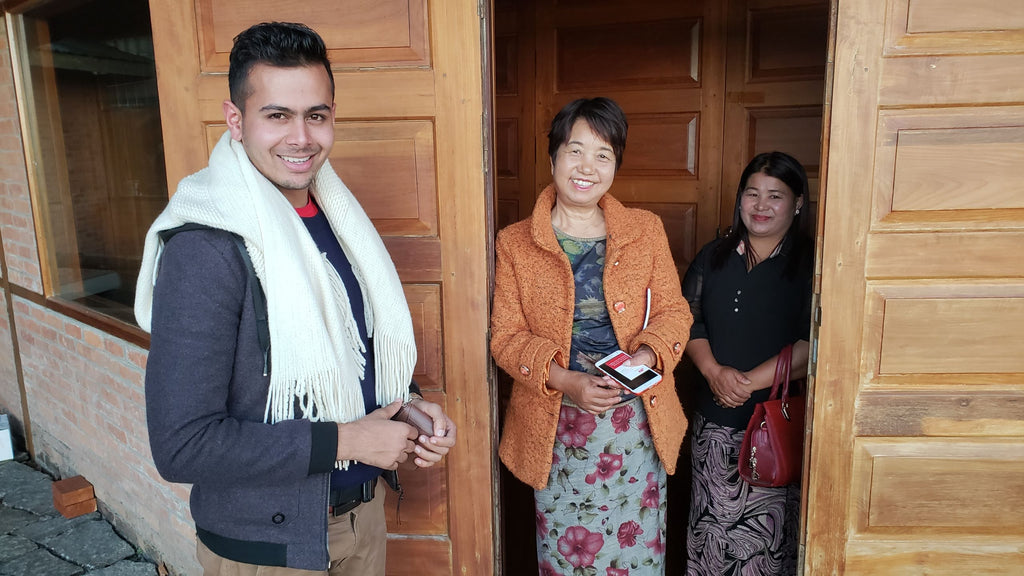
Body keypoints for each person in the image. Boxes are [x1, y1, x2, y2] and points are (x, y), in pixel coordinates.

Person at [134, 22, 455, 575]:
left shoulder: (339, 222)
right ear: (237, 121)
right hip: (268, 549)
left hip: (363, 520)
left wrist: (406, 401)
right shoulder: (205, 248)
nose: (301, 137)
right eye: (277, 115)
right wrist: (348, 439)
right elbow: (181, 446)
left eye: (316, 115)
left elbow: (350, 352)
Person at [491, 97, 692, 576]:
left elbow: (674, 311)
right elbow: (505, 336)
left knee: (636, 553)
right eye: (575, 150)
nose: (587, 167)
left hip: (635, 428)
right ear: (553, 157)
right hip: (558, 429)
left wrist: (644, 355)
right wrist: (566, 381)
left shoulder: (645, 230)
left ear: (616, 164)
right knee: (568, 555)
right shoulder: (515, 241)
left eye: (603, 155)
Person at [682, 151, 812, 575]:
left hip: (776, 426)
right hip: (714, 428)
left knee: (766, 549)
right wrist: (714, 372)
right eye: (752, 193)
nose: (761, 205)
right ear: (739, 199)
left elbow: (816, 341)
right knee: (712, 538)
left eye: (775, 196)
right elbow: (687, 319)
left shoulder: (813, 264)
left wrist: (746, 383)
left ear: (797, 203)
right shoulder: (714, 256)